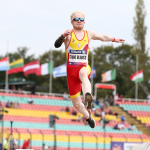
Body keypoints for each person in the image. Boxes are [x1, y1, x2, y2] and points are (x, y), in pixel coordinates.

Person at [54, 11, 125, 128]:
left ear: (84, 22)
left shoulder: (89, 34)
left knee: (83, 73)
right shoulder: (68, 33)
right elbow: (56, 45)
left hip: (83, 67)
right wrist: (62, 36)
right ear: (71, 22)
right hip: (71, 72)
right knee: (76, 104)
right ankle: (88, 116)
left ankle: (88, 97)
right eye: (76, 19)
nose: (79, 21)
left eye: (81, 19)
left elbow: (103, 37)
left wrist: (114, 39)